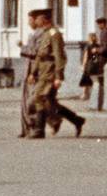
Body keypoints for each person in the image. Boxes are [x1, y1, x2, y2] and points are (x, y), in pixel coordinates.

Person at [22, 8, 83, 138]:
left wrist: (58, 76)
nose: (36, 21)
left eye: (38, 18)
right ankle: (76, 120)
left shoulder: (54, 34)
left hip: (50, 72)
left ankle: (39, 130)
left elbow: (59, 56)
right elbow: (39, 55)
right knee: (49, 102)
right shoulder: (45, 34)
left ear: (45, 19)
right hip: (43, 71)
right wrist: (33, 73)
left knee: (39, 97)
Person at [80, 20, 107, 104]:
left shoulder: (89, 46)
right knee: (93, 79)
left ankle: (86, 94)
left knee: (86, 78)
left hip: (89, 64)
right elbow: (94, 56)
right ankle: (89, 94)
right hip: (95, 63)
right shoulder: (97, 45)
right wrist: (95, 61)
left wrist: (83, 65)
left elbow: (86, 56)